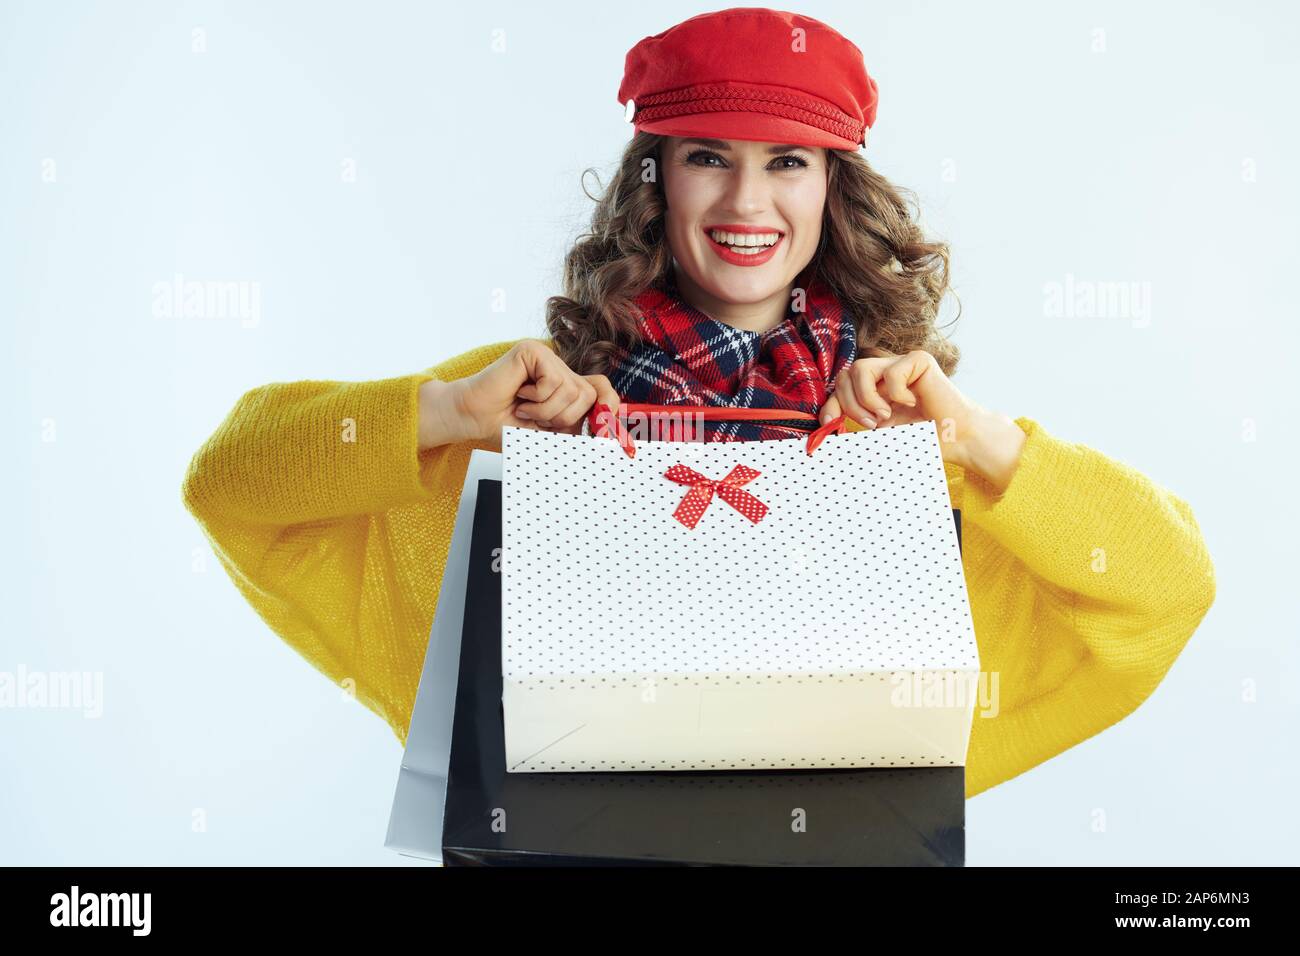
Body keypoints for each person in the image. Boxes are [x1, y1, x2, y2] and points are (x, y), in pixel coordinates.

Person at [182, 8, 1215, 799]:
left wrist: (981, 442)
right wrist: (447, 415)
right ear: (655, 182)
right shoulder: (526, 406)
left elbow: (1166, 585)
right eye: (708, 156)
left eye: (787, 162)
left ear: (831, 190)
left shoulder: (909, 440)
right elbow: (229, 483)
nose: (745, 202)